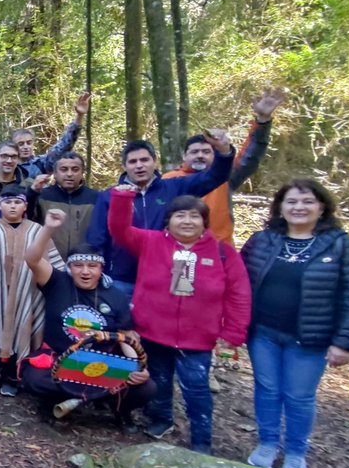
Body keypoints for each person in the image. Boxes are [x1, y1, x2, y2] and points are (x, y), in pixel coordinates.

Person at [240, 180, 349, 468]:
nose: (299, 207)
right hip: (263, 332)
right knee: (267, 389)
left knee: (298, 396)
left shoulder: (341, 245)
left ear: (321, 206)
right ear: (280, 207)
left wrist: (345, 342)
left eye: (307, 201)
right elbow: (240, 284)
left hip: (310, 337)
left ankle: (296, 452)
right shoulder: (263, 240)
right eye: (292, 202)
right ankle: (268, 443)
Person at [108, 188, 251, 454]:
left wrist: (233, 333)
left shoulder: (222, 253)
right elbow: (119, 229)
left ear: (204, 222)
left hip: (198, 337)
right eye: (180, 215)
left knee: (196, 388)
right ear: (168, 220)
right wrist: (122, 198)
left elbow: (239, 293)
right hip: (153, 331)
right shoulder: (151, 242)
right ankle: (160, 420)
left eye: (194, 216)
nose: (187, 221)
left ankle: (201, 439)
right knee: (158, 382)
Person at [19, 211, 156, 428]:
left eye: (92, 266)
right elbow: (32, 259)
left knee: (146, 386)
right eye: (78, 266)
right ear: (69, 268)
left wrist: (138, 366)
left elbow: (126, 336)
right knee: (34, 378)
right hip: (60, 359)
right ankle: (54, 403)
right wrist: (49, 228)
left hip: (102, 363)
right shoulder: (57, 282)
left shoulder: (116, 296)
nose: (85, 272)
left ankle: (118, 409)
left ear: (101, 269)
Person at [86, 130, 235, 298]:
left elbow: (214, 177)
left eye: (144, 160)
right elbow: (96, 238)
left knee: (163, 322)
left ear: (154, 162)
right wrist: (96, 273)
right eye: (133, 161)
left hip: (167, 275)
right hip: (121, 279)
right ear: (125, 166)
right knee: (122, 324)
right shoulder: (110, 196)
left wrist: (224, 152)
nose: (139, 165)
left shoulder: (174, 187)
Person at [0, 187, 64, 396]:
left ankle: (12, 377)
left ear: (25, 206)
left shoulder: (37, 230)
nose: (12, 206)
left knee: (21, 330)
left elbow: (55, 264)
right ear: (0, 205)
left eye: (17, 202)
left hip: (27, 294)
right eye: (7, 202)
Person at [161, 90, 284, 244]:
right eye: (194, 152)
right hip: (175, 252)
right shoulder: (168, 180)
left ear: (215, 156)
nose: (200, 155)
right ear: (184, 157)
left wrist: (263, 121)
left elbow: (250, 157)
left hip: (219, 253)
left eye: (206, 152)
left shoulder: (224, 178)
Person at [0, 93, 90, 178]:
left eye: (29, 143)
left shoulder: (42, 163)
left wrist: (79, 116)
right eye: (21, 144)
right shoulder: (2, 162)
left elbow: (65, 144)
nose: (26, 147)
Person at [36, 152, 100, 259]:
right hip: (49, 262)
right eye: (64, 169)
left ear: (82, 172)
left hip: (84, 262)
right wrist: (32, 192)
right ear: (55, 173)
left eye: (75, 169)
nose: (69, 174)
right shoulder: (42, 196)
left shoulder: (96, 198)